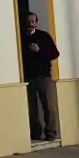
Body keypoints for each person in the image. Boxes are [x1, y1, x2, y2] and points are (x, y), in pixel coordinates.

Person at [22, 12, 60, 141]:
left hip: (43, 75)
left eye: (33, 22)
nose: (30, 25)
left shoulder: (44, 36)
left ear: (36, 23)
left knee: (49, 106)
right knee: (31, 108)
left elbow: (55, 53)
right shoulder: (21, 38)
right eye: (28, 22)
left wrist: (40, 50)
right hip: (28, 77)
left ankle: (51, 133)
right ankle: (35, 133)